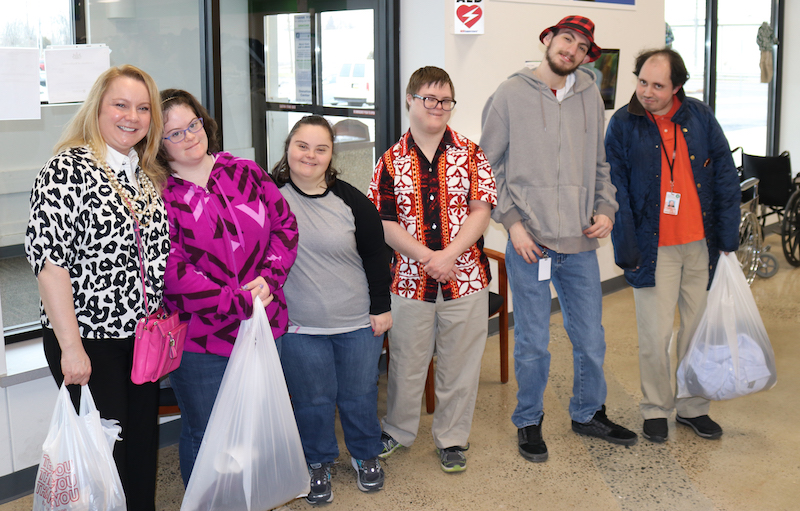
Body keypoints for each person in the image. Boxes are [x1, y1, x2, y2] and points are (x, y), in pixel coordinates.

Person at [480, 15, 638, 463]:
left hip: (580, 244)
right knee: (533, 342)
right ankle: (528, 420)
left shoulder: (591, 95)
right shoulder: (510, 94)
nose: (571, 49)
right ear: (548, 39)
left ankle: (588, 413)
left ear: (587, 56)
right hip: (530, 244)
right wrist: (511, 223)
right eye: (565, 38)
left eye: (582, 46)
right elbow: (487, 169)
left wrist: (606, 209)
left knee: (591, 338)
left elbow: (600, 165)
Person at [26, 65, 168, 510]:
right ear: (97, 109)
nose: (133, 116)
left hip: (139, 343)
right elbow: (50, 265)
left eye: (143, 108)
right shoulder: (67, 169)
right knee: (103, 457)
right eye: (120, 105)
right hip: (88, 341)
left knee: (142, 447)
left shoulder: (141, 175)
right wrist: (71, 348)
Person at [156, 89, 298, 485]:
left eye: (193, 124)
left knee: (257, 428)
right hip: (203, 338)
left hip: (264, 323)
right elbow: (170, 269)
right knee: (206, 433)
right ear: (157, 143)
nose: (190, 136)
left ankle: (254, 498)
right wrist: (234, 300)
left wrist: (269, 278)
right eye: (175, 134)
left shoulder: (244, 171)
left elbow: (285, 226)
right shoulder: (158, 193)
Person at [605, 48, 740, 443]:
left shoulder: (698, 115)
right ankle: (655, 408)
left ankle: (693, 406)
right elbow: (617, 191)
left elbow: (726, 176)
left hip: (702, 244)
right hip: (653, 249)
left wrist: (729, 239)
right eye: (642, 81)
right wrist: (626, 249)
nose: (646, 92)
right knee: (655, 335)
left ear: (677, 87)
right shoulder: (624, 124)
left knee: (698, 332)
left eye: (657, 85)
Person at [368, 66, 497, 473]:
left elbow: (482, 210)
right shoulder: (389, 161)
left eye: (445, 101)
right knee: (406, 363)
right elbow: (384, 224)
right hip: (407, 283)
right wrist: (428, 257)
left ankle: (453, 438)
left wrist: (449, 256)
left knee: (460, 365)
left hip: (466, 279)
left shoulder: (471, 153)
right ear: (410, 99)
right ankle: (399, 432)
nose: (437, 107)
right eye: (429, 98)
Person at [270, 115, 392, 504]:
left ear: (331, 155)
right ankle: (317, 461)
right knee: (313, 399)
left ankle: (364, 454)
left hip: (357, 320)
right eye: (302, 145)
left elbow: (376, 255)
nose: (311, 155)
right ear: (288, 147)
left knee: (359, 393)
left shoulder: (351, 200)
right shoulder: (269, 196)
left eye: (321, 148)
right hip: (300, 326)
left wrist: (381, 307)